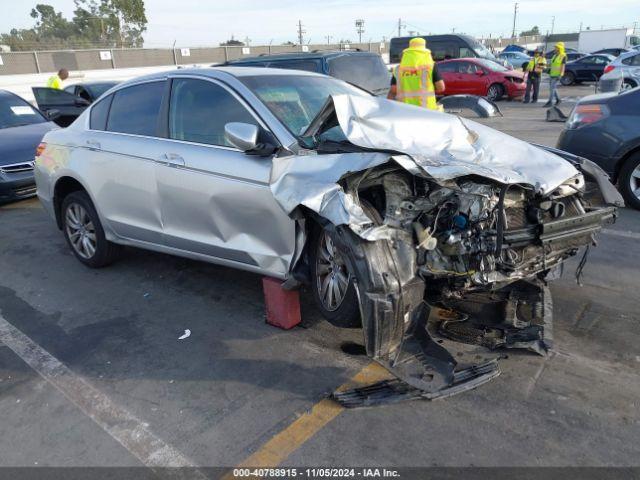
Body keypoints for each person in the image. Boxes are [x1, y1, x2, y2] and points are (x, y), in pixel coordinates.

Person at [387, 37, 445, 110]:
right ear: (424, 52)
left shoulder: (399, 69)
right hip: (427, 111)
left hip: (405, 111)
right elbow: (441, 87)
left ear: (408, 52)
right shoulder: (430, 66)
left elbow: (393, 90)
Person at [544, 42, 566, 107]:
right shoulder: (554, 55)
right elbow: (552, 64)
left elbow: (563, 66)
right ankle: (558, 100)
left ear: (560, 48)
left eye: (556, 47)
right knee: (553, 88)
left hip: (557, 75)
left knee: (552, 88)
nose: (555, 48)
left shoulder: (563, 56)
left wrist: (561, 74)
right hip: (552, 74)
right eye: (555, 47)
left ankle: (550, 101)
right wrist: (544, 65)